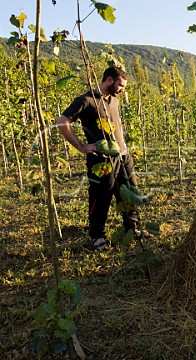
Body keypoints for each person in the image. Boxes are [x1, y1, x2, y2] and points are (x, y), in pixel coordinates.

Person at [57, 66, 149, 250]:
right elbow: (62, 122)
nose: (123, 89)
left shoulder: (113, 100)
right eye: (121, 85)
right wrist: (82, 147)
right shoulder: (86, 100)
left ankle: (133, 228)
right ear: (109, 80)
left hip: (123, 156)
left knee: (130, 191)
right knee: (101, 197)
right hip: (101, 160)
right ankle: (97, 236)